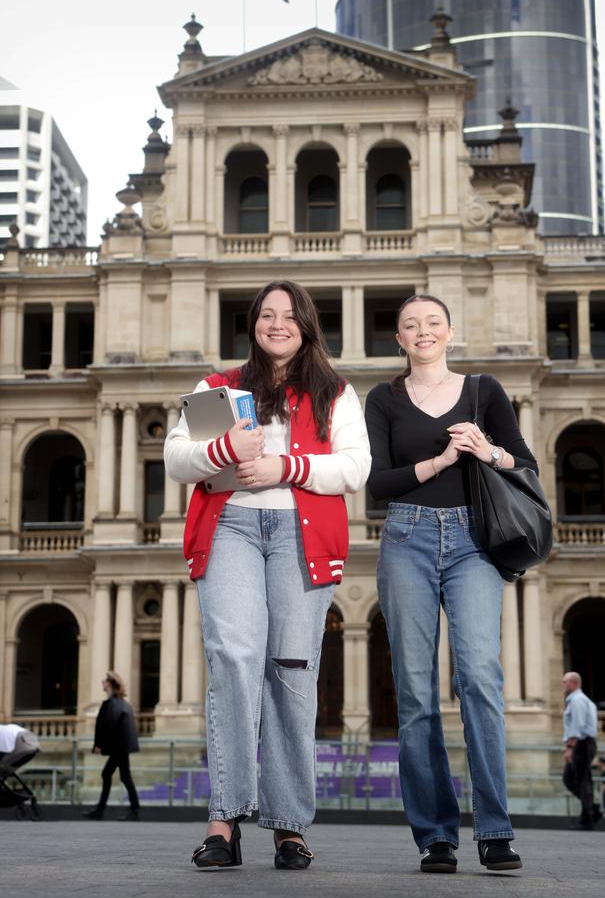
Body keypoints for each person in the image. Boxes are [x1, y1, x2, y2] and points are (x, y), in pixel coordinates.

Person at [164, 280, 370, 871]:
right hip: (230, 527)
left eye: (290, 315)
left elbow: (356, 466)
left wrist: (287, 464)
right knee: (232, 657)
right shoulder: (218, 386)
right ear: (253, 323)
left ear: (306, 325)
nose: (277, 324)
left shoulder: (334, 391)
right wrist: (224, 448)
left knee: (292, 670)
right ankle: (223, 820)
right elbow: (177, 459)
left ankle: (287, 825)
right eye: (267, 315)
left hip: (301, 536)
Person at [364, 293, 537, 874]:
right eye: (411, 325)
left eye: (433, 323)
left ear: (450, 331)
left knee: (480, 678)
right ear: (399, 339)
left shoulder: (484, 390)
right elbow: (377, 484)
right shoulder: (383, 399)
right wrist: (440, 460)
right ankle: (436, 836)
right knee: (414, 694)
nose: (423, 332)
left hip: (472, 542)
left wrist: (485, 449)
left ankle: (494, 829)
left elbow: (526, 463)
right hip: (406, 539)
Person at [83, 671, 140, 821]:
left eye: (104, 681)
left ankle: (101, 810)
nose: (102, 682)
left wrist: (99, 745)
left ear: (109, 684)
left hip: (118, 747)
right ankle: (132, 810)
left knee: (108, 774)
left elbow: (107, 726)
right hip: (121, 747)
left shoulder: (113, 704)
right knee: (124, 777)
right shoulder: (122, 703)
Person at [561, 671, 599, 828]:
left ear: (574, 683)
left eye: (565, 682)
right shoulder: (584, 700)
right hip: (585, 744)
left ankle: (588, 818)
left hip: (581, 744)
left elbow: (578, 725)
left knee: (575, 780)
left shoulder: (577, 700)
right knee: (580, 780)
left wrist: (570, 747)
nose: (563, 685)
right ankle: (591, 809)